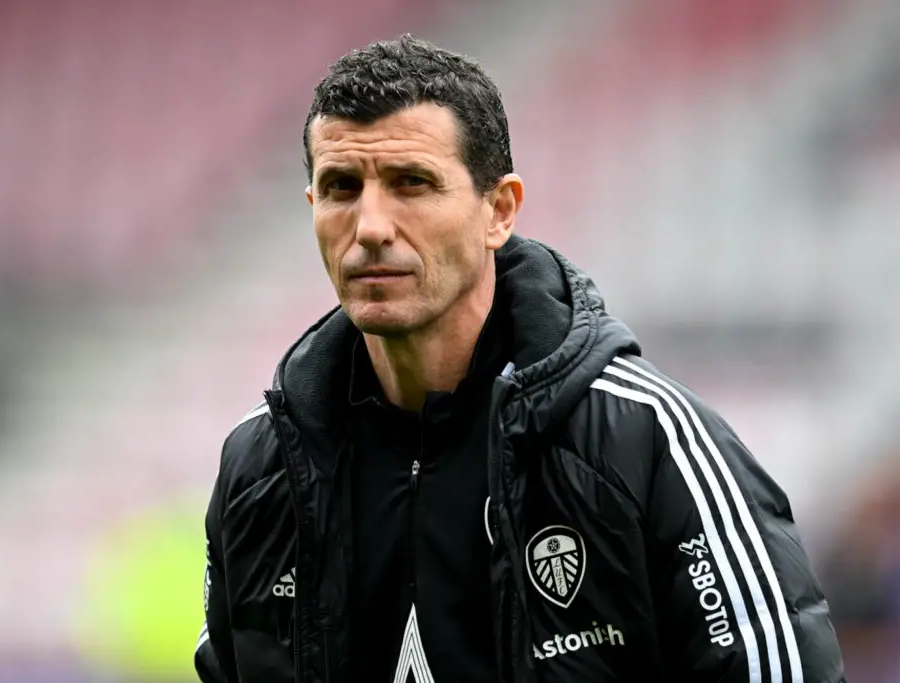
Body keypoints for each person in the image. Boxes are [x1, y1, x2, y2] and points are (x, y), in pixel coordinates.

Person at [194, 34, 845, 682]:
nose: (369, 227)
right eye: (341, 187)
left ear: (499, 211)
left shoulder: (646, 440)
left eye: (411, 183)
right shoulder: (263, 464)